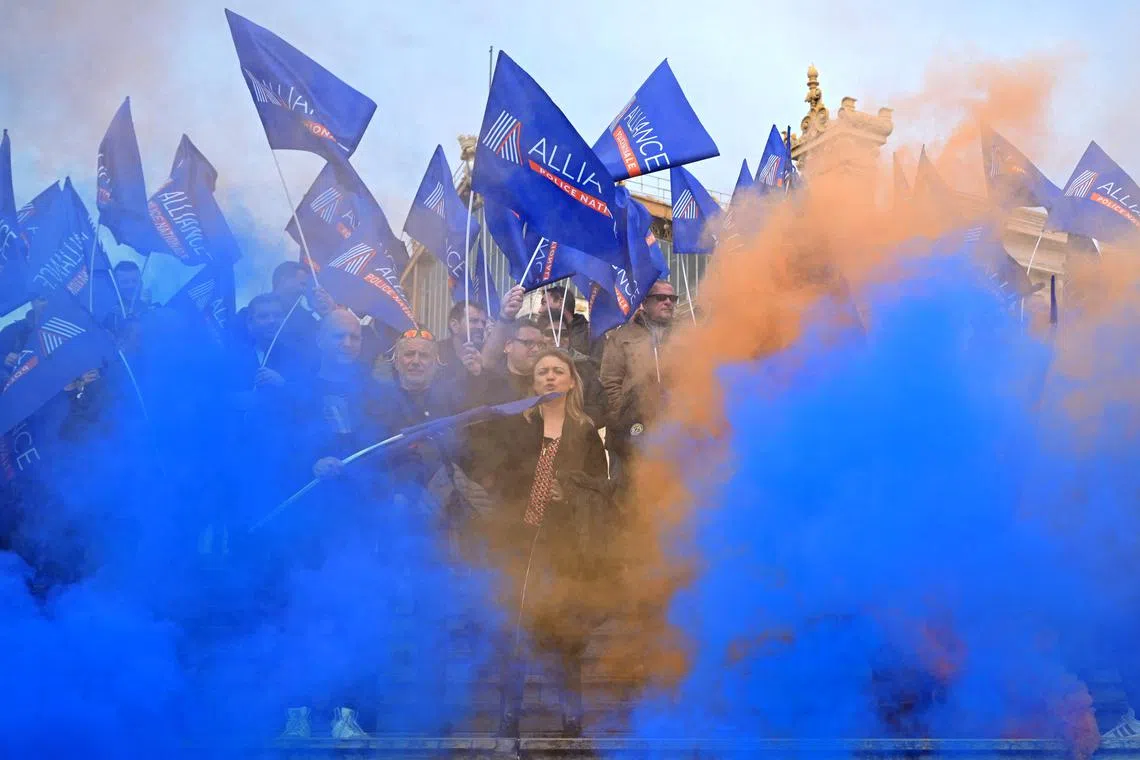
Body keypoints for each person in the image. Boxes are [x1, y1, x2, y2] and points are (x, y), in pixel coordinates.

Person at [472, 349, 611, 738]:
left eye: (557, 371)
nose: (550, 377)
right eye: (542, 373)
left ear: (571, 381)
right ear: (533, 383)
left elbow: (601, 488)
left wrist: (568, 490)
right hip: (520, 540)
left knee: (566, 629)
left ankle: (571, 714)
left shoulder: (584, 430)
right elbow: (496, 477)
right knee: (515, 627)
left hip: (566, 544)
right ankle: (509, 715)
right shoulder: (518, 427)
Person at [599, 279, 676, 485]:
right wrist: (625, 419)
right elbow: (609, 384)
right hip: (629, 437)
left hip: (674, 437)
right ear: (644, 302)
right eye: (661, 298)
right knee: (625, 500)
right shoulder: (622, 337)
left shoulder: (683, 334)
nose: (668, 302)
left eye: (672, 298)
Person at [537, 286, 591, 359]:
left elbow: (598, 366)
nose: (540, 310)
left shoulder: (591, 333)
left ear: (560, 302)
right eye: (549, 333)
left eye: (544, 303)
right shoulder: (537, 331)